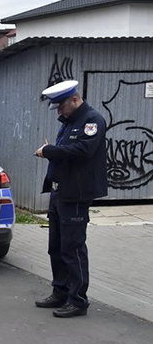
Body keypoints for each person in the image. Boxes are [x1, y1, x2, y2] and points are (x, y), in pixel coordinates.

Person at [34, 80, 108, 318]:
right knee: (55, 247)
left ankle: (77, 300)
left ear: (75, 100)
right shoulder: (69, 122)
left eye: (61, 106)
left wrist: (49, 151)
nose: (59, 111)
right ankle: (60, 292)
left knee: (72, 248)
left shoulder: (92, 121)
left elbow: (83, 152)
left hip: (76, 194)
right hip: (59, 192)